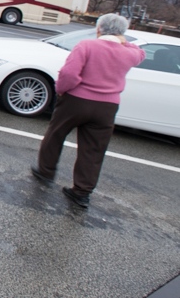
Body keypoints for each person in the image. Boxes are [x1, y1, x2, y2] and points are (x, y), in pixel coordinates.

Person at [31, 14, 145, 208]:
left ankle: (46, 171)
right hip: (107, 106)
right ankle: (81, 192)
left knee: (55, 134)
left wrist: (61, 90)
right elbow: (139, 52)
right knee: (93, 149)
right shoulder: (129, 53)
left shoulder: (87, 46)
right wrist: (123, 40)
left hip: (76, 99)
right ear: (121, 34)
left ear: (99, 29)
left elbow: (69, 74)